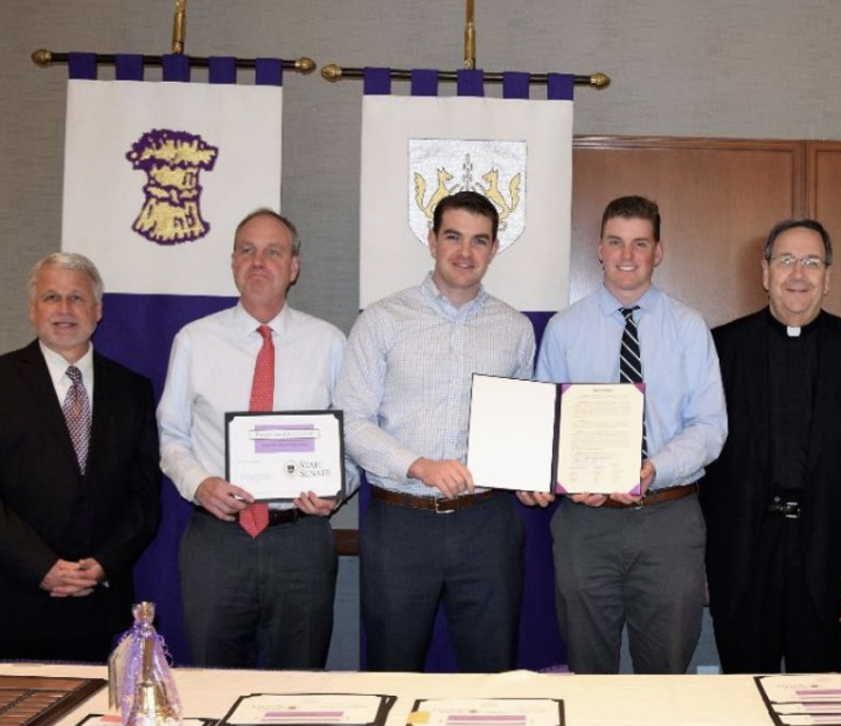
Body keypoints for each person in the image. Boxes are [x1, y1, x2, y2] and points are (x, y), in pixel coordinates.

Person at [518, 195, 727, 674]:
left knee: (666, 672)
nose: (626, 255)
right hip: (586, 524)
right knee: (588, 670)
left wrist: (652, 468)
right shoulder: (565, 329)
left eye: (639, 243)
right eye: (615, 242)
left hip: (667, 518)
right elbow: (544, 424)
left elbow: (711, 426)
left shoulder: (689, 328)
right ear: (598, 249)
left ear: (658, 251)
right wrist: (547, 474)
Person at [336, 191, 534, 673]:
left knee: (493, 677)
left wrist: (531, 472)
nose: (465, 252)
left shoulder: (515, 328)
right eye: (453, 237)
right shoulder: (381, 320)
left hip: (486, 523)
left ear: (494, 249)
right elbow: (351, 421)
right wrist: (420, 466)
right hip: (401, 523)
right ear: (431, 241)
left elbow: (523, 424)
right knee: (393, 668)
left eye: (479, 240)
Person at [700, 219, 841, 673]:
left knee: (816, 695)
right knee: (745, 694)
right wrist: (704, 563)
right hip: (742, 556)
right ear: (764, 272)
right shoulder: (721, 348)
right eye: (786, 260)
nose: (798, 274)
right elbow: (703, 466)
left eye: (811, 262)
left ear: (828, 277)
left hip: (826, 554)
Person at [158, 209, 348, 669]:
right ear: (233, 263)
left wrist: (337, 490)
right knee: (214, 681)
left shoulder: (328, 343)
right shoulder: (194, 341)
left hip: (299, 540)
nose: (258, 262)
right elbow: (171, 434)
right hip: (216, 541)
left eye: (272, 252)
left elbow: (349, 440)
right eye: (247, 250)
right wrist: (200, 483)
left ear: (293, 268)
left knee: (299, 687)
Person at [0, 252, 161, 662]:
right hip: (13, 597)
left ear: (98, 310)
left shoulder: (132, 390)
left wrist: (104, 564)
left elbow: (143, 499)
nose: (65, 310)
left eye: (77, 298)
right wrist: (40, 567)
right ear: (33, 309)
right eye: (52, 297)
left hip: (96, 603)